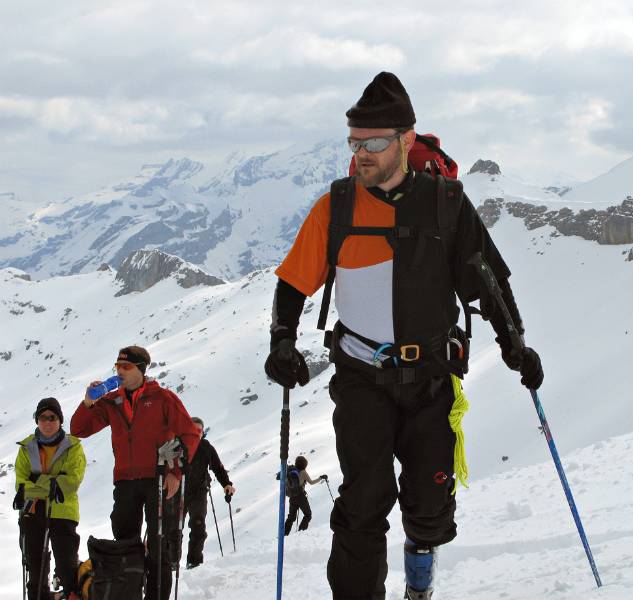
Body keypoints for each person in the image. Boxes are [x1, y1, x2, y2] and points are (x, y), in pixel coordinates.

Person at [265, 72, 544, 600]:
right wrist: (282, 340)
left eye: (372, 142)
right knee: (363, 503)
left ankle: (419, 580)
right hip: (361, 378)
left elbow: (488, 281)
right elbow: (292, 283)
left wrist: (515, 345)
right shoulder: (338, 207)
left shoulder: (446, 204)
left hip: (432, 379)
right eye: (354, 142)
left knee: (430, 509)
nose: (361, 153)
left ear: (406, 140)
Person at [70, 346, 200, 600]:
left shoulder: (162, 398)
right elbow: (79, 428)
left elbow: (189, 434)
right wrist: (87, 401)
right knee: (125, 543)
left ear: (140, 370)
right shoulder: (111, 401)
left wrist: (176, 472)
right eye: (117, 366)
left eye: (126, 367)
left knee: (158, 544)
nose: (119, 371)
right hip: (125, 481)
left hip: (157, 478)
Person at [14, 397, 86, 600]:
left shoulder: (73, 446)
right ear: (37, 420)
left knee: (67, 566)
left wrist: (37, 480)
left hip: (63, 512)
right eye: (42, 417)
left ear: (60, 420)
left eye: (52, 417)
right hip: (33, 511)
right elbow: (21, 484)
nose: (47, 422)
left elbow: (71, 482)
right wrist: (52, 483)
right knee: (35, 567)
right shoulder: (26, 447)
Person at [183, 417, 235, 569]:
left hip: (198, 492)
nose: (196, 432)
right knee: (174, 528)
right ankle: (171, 563)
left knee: (198, 526)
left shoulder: (206, 447)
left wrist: (226, 484)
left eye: (199, 430)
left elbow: (218, 467)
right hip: (178, 491)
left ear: (203, 432)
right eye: (194, 429)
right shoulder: (179, 445)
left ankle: (194, 562)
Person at [279, 455, 327, 536]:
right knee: (308, 515)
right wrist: (320, 478)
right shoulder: (303, 472)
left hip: (292, 497)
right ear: (304, 464)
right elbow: (311, 482)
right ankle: (301, 532)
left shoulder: (291, 471)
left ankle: (284, 534)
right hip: (301, 497)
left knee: (291, 518)